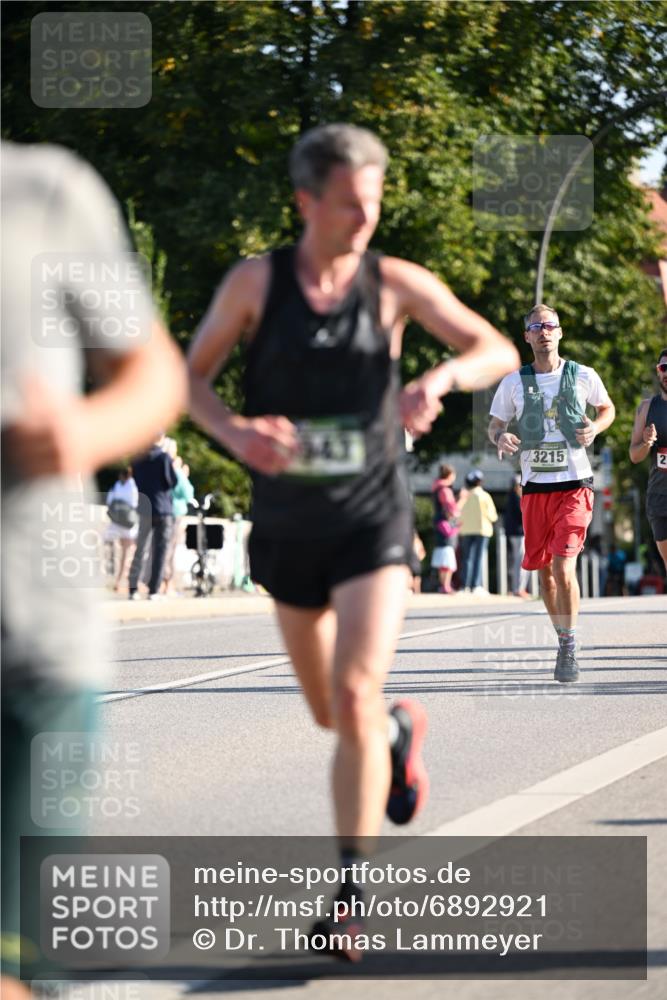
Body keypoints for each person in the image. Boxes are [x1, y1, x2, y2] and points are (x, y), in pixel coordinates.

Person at [187, 123, 519, 960]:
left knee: (358, 690)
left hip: (373, 517)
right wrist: (235, 432)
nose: (364, 220)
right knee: (332, 711)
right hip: (288, 523)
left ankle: (349, 898)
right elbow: (183, 380)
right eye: (348, 206)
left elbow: (492, 346)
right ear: (305, 203)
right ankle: (400, 741)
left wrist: (438, 378)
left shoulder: (394, 285)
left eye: (372, 203)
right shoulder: (255, 286)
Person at [1, 141, 186, 998]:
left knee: (18, 968)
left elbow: (151, 372)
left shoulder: (43, 193)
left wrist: (75, 433)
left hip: (27, 645)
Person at [488, 303, 615, 683]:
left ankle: (571, 645)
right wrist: (502, 436)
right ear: (526, 336)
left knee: (563, 566)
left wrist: (596, 428)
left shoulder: (583, 375)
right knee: (545, 576)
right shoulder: (513, 382)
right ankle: (562, 639)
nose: (544, 331)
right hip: (535, 489)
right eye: (535, 326)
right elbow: (495, 425)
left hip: (575, 484)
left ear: (559, 332)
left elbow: (607, 409)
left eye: (550, 325)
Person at [629, 347, 667, 574]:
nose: (666, 373)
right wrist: (645, 442)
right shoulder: (646, 408)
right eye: (663, 368)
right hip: (659, 497)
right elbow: (634, 456)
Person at [127, 434, 178, 600]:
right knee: (160, 551)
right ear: (161, 439)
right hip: (163, 508)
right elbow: (171, 482)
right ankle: (153, 590)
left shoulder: (136, 459)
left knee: (140, 549)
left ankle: (133, 589)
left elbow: (135, 480)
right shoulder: (163, 458)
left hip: (144, 508)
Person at [458, 470, 497, 594]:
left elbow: (458, 512)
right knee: (478, 558)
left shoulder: (464, 495)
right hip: (482, 529)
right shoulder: (484, 496)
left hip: (466, 530)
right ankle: (476, 585)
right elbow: (493, 516)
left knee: (467, 558)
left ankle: (464, 586)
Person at [163, 456, 195, 594]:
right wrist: (184, 476)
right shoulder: (177, 473)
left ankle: (163, 583)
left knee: (162, 548)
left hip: (161, 511)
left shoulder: (163, 470)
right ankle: (168, 584)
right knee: (169, 549)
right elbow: (188, 493)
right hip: (175, 513)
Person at [105, 466, 139, 592]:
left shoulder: (117, 486)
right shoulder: (133, 486)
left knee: (120, 550)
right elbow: (135, 503)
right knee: (127, 553)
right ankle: (121, 580)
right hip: (128, 522)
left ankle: (118, 579)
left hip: (117, 521)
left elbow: (109, 501)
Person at [430, 463, 460, 594]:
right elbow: (452, 508)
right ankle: (446, 585)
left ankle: (444, 585)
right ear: (450, 475)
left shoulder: (437, 487)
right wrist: (462, 500)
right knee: (448, 555)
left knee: (444, 556)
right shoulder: (444, 490)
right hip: (446, 525)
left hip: (440, 524)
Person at [503, 472, 532, 598]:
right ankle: (518, 588)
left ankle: (517, 588)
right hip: (519, 533)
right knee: (520, 561)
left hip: (514, 533)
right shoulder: (516, 499)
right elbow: (523, 516)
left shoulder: (511, 498)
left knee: (516, 560)